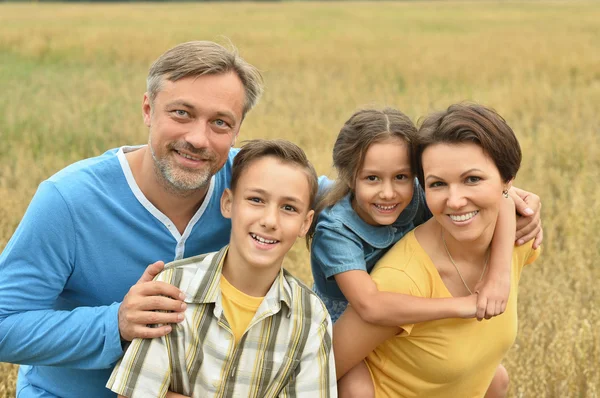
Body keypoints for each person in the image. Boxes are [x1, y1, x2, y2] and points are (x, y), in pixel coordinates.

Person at [0, 41, 264, 398]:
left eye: (220, 122)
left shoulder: (255, 184)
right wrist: (116, 324)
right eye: (181, 113)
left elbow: (347, 195)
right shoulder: (68, 199)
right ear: (147, 109)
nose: (198, 138)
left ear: (237, 131)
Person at [309, 108, 541, 397]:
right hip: (344, 315)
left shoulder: (422, 195)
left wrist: (499, 274)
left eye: (401, 177)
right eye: (371, 178)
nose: (388, 193)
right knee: (356, 391)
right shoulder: (336, 231)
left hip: (388, 311)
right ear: (349, 177)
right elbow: (371, 306)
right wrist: (462, 306)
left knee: (497, 378)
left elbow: (500, 197)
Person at [107, 139, 336, 398]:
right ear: (228, 203)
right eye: (256, 200)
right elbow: (133, 394)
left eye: (288, 208)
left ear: (306, 223)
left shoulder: (310, 316)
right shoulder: (172, 287)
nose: (270, 221)